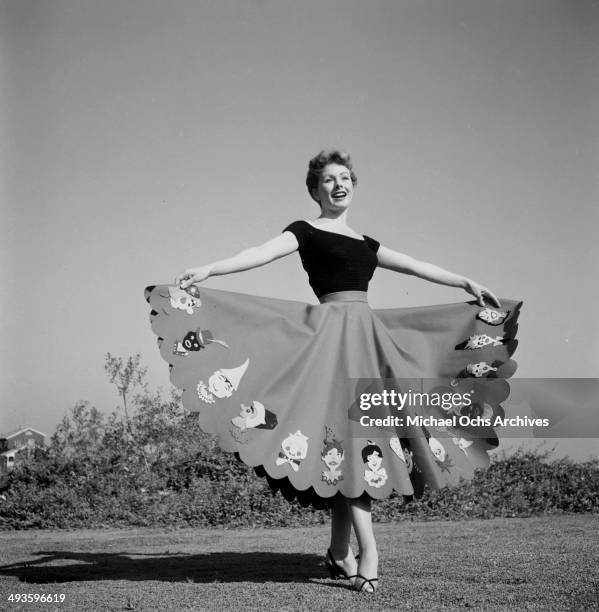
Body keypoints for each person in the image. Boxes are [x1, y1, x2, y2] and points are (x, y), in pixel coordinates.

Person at [146, 149, 521, 594]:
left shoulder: (367, 244)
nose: (338, 185)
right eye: (329, 180)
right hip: (327, 342)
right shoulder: (304, 231)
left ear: (354, 185)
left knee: (352, 444)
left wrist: (464, 282)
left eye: (345, 178)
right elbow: (260, 253)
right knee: (350, 442)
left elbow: (417, 266)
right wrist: (210, 268)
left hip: (367, 341)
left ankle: (340, 552)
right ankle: (369, 553)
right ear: (315, 190)